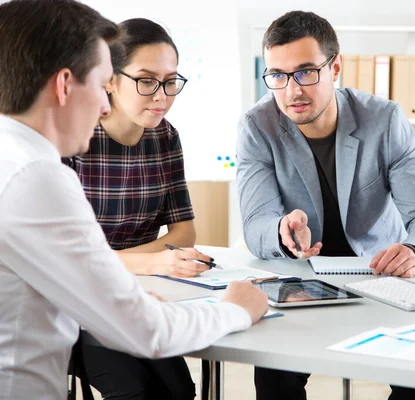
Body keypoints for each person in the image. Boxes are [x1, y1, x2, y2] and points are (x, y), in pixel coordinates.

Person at [0, 1, 268, 399]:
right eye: (100, 84)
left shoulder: (13, 156)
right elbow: (147, 333)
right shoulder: (38, 178)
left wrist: (118, 291)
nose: (104, 106)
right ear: (64, 85)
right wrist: (237, 308)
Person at [236, 10, 415, 400]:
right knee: (274, 378)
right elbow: (255, 223)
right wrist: (282, 231)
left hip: (380, 275)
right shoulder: (257, 125)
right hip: (300, 281)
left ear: (335, 67)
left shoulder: (383, 119)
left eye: (305, 72)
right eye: (277, 76)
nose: (291, 91)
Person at [62, 17, 206, 399]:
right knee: (133, 391)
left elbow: (184, 233)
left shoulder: (165, 137)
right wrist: (152, 261)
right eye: (146, 80)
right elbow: (68, 258)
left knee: (179, 390)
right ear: (109, 79)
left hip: (138, 296)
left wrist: (120, 262)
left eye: (171, 80)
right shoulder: (74, 134)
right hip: (75, 303)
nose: (161, 96)